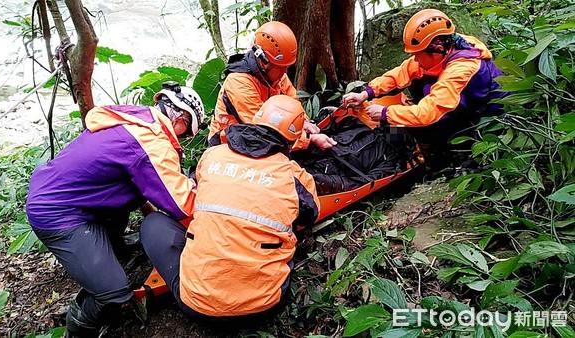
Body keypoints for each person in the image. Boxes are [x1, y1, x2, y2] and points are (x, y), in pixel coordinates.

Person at [25, 81, 205, 337]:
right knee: (114, 292)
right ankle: (77, 329)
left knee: (129, 192)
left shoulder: (134, 119)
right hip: (57, 212)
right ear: (181, 118)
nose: (184, 139)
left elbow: (144, 184)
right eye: (187, 133)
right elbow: (181, 203)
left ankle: (113, 247)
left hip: (61, 191)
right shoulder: (150, 142)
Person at [141, 95, 320, 327]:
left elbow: (193, 192)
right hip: (263, 306)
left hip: (197, 307)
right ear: (295, 141)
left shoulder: (212, 156)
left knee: (153, 224)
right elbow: (311, 214)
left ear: (256, 120)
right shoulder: (294, 175)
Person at [342, 9, 509, 157]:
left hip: (486, 116)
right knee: (415, 81)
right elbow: (403, 72)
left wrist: (386, 113)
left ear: (436, 50)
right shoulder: (449, 45)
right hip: (462, 101)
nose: (414, 59)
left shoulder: (460, 70)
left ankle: (429, 153)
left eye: (418, 54)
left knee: (403, 124)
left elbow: (428, 113)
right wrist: (366, 93)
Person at [208, 20, 337, 150]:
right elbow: (262, 130)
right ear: (264, 61)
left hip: (257, 141)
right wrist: (309, 140)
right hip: (227, 145)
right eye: (281, 68)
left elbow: (293, 103)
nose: (284, 72)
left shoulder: (278, 75)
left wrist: (303, 122)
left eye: (286, 67)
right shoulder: (239, 83)